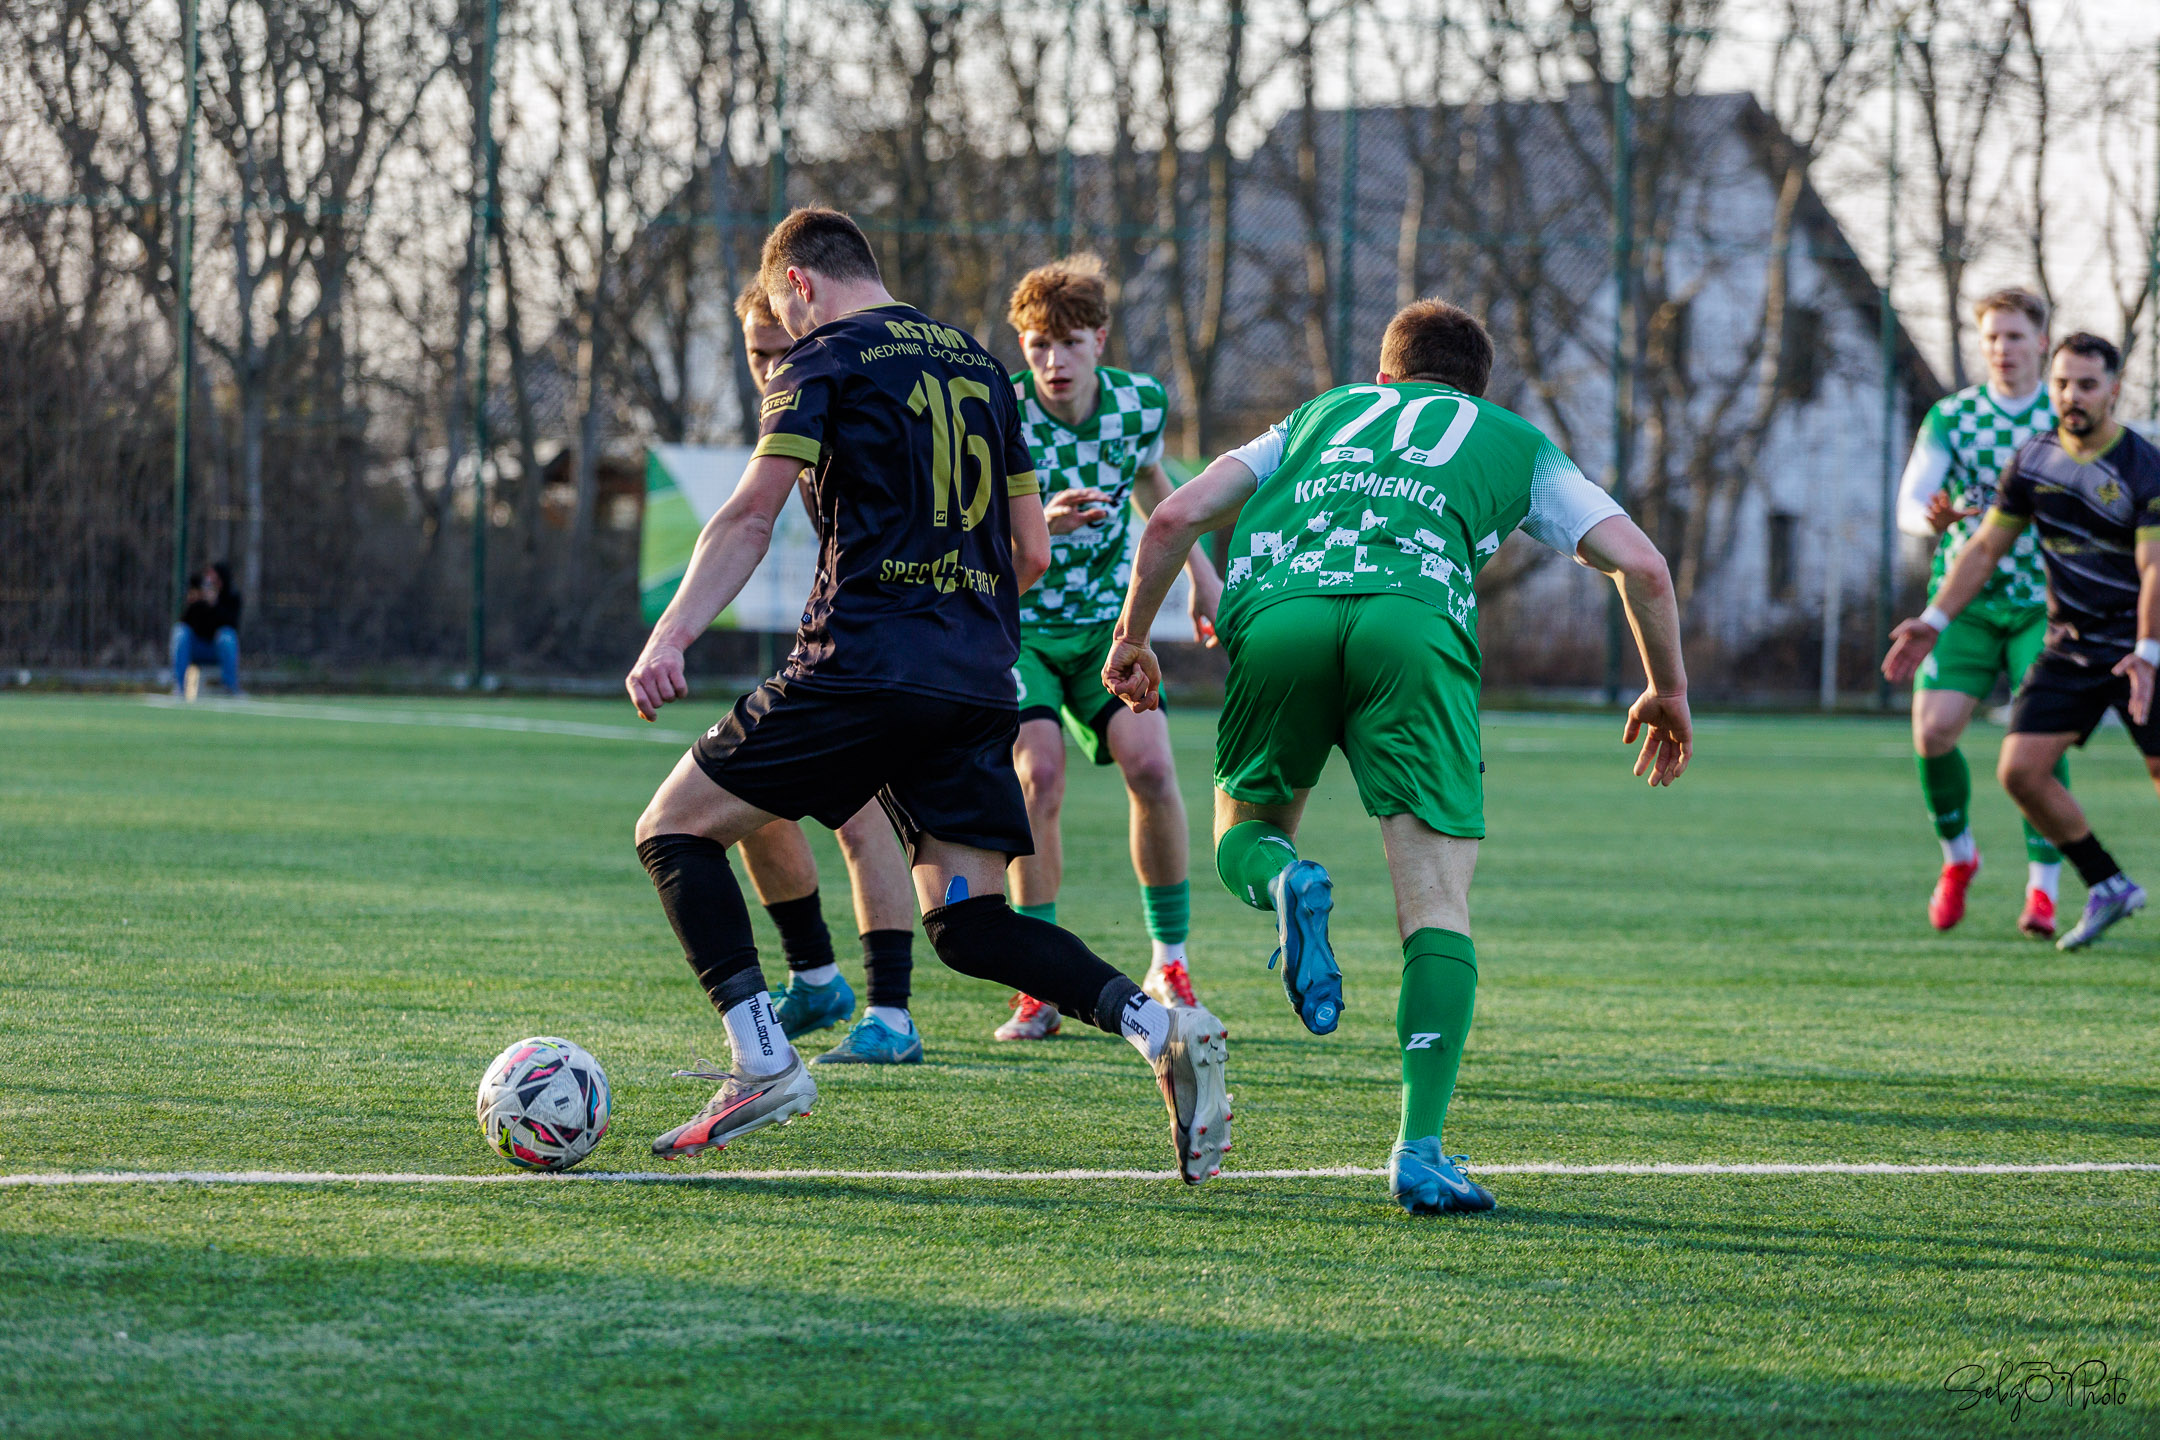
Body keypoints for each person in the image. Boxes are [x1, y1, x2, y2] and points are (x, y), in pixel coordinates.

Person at [625, 208, 1231, 1181]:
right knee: (970, 924)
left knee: (673, 830)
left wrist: (671, 634)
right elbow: (1030, 551)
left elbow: (747, 518)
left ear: (799, 286)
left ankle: (762, 1063)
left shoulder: (821, 358)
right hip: (978, 680)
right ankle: (1160, 1028)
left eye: (782, 310)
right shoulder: (983, 369)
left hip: (860, 663)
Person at [1104, 298, 1692, 1215]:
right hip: (1411, 629)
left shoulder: (1321, 414)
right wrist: (1668, 689)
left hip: (1281, 618)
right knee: (1436, 905)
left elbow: (1173, 516)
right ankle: (1419, 1149)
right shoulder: (1513, 440)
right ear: (1477, 390)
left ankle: (1283, 878)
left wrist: (1133, 637)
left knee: (1245, 834)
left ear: (1385, 376)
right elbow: (1644, 568)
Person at [992, 255, 1224, 1041]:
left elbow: (1158, 488)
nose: (1053, 361)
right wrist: (1039, 525)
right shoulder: (1002, 411)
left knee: (1153, 769)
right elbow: (969, 526)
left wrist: (1202, 577)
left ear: (1100, 338)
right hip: (1022, 629)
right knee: (1038, 778)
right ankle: (1038, 982)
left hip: (1106, 629)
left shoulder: (1138, 404)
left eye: (1069, 342)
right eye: (1037, 345)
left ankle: (1170, 961)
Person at [1885, 332, 2159, 952]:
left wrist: (2148, 653)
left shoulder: (2144, 467)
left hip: (2140, 645)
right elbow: (1985, 547)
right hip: (2073, 645)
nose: (2071, 396)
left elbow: (2155, 571)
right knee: (2020, 771)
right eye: (2062, 384)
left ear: (2113, 390)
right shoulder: (2033, 460)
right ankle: (2107, 884)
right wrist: (1934, 619)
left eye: (2086, 385)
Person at [726, 282, 927, 1066]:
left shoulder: (857, 393)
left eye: (785, 349)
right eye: (759, 353)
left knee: (862, 817)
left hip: (901, 651)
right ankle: (815, 979)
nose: (773, 366)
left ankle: (890, 1015)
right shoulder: (798, 410)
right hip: (843, 641)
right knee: (743, 790)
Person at [1894, 289, 2068, 937]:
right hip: (1963, 603)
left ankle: (2043, 888)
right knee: (1932, 732)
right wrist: (1932, 520)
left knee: (2038, 737)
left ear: (2041, 342)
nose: (2002, 348)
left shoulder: (2062, 416)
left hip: (2045, 606)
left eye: (2015, 336)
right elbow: (1912, 501)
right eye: (1992, 336)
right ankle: (1959, 857)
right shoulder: (1955, 416)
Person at [171, 562, 242, 698]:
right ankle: (179, 687)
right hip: (197, 648)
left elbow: (231, 624)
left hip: (217, 650)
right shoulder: (199, 598)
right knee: (180, 632)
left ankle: (231, 687)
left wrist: (214, 604)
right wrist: (196, 603)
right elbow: (186, 622)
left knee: (226, 636)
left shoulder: (231, 597)